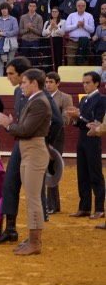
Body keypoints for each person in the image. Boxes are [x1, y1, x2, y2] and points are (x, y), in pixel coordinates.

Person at [0, 57, 63, 246]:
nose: (9, 78)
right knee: (10, 183)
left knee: (34, 190)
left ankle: (35, 234)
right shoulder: (18, 92)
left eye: (11, 74)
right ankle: (11, 229)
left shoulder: (41, 95)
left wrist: (46, 143)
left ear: (25, 76)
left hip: (33, 144)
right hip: (21, 143)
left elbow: (57, 121)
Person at [63, 72, 106, 220]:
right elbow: (81, 123)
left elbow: (97, 122)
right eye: (83, 83)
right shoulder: (84, 100)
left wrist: (79, 116)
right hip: (82, 139)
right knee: (82, 174)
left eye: (88, 82)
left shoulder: (102, 100)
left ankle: (100, 208)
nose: (85, 85)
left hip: (93, 139)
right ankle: (84, 207)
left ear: (96, 83)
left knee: (95, 174)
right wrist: (75, 118)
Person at [44, 72, 73, 214]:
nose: (48, 85)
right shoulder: (42, 96)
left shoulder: (65, 98)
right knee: (45, 169)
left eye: (50, 82)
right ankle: (52, 205)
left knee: (52, 169)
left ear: (58, 83)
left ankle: (52, 205)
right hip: (43, 137)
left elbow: (65, 120)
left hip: (57, 138)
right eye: (46, 82)